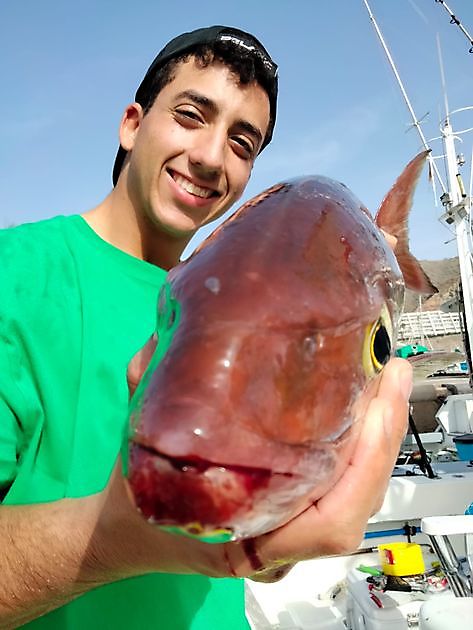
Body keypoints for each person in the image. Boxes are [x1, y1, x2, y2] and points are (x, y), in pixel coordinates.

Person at [0, 25, 413, 629]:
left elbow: (250, 539)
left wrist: (274, 534)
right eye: (192, 115)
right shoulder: (19, 274)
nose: (211, 156)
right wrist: (120, 537)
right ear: (132, 125)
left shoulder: (237, 286)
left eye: (243, 143)